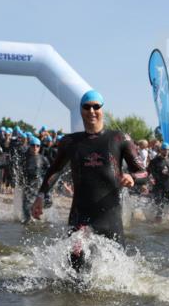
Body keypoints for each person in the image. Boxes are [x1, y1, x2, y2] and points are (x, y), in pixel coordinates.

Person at [31, 90, 148, 272]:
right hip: (80, 217)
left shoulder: (119, 138)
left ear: (102, 109)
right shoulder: (70, 142)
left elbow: (143, 173)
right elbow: (55, 170)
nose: (91, 111)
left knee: (116, 278)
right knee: (74, 275)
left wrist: (132, 177)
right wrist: (40, 196)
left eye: (96, 106)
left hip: (110, 219)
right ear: (81, 110)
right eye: (87, 107)